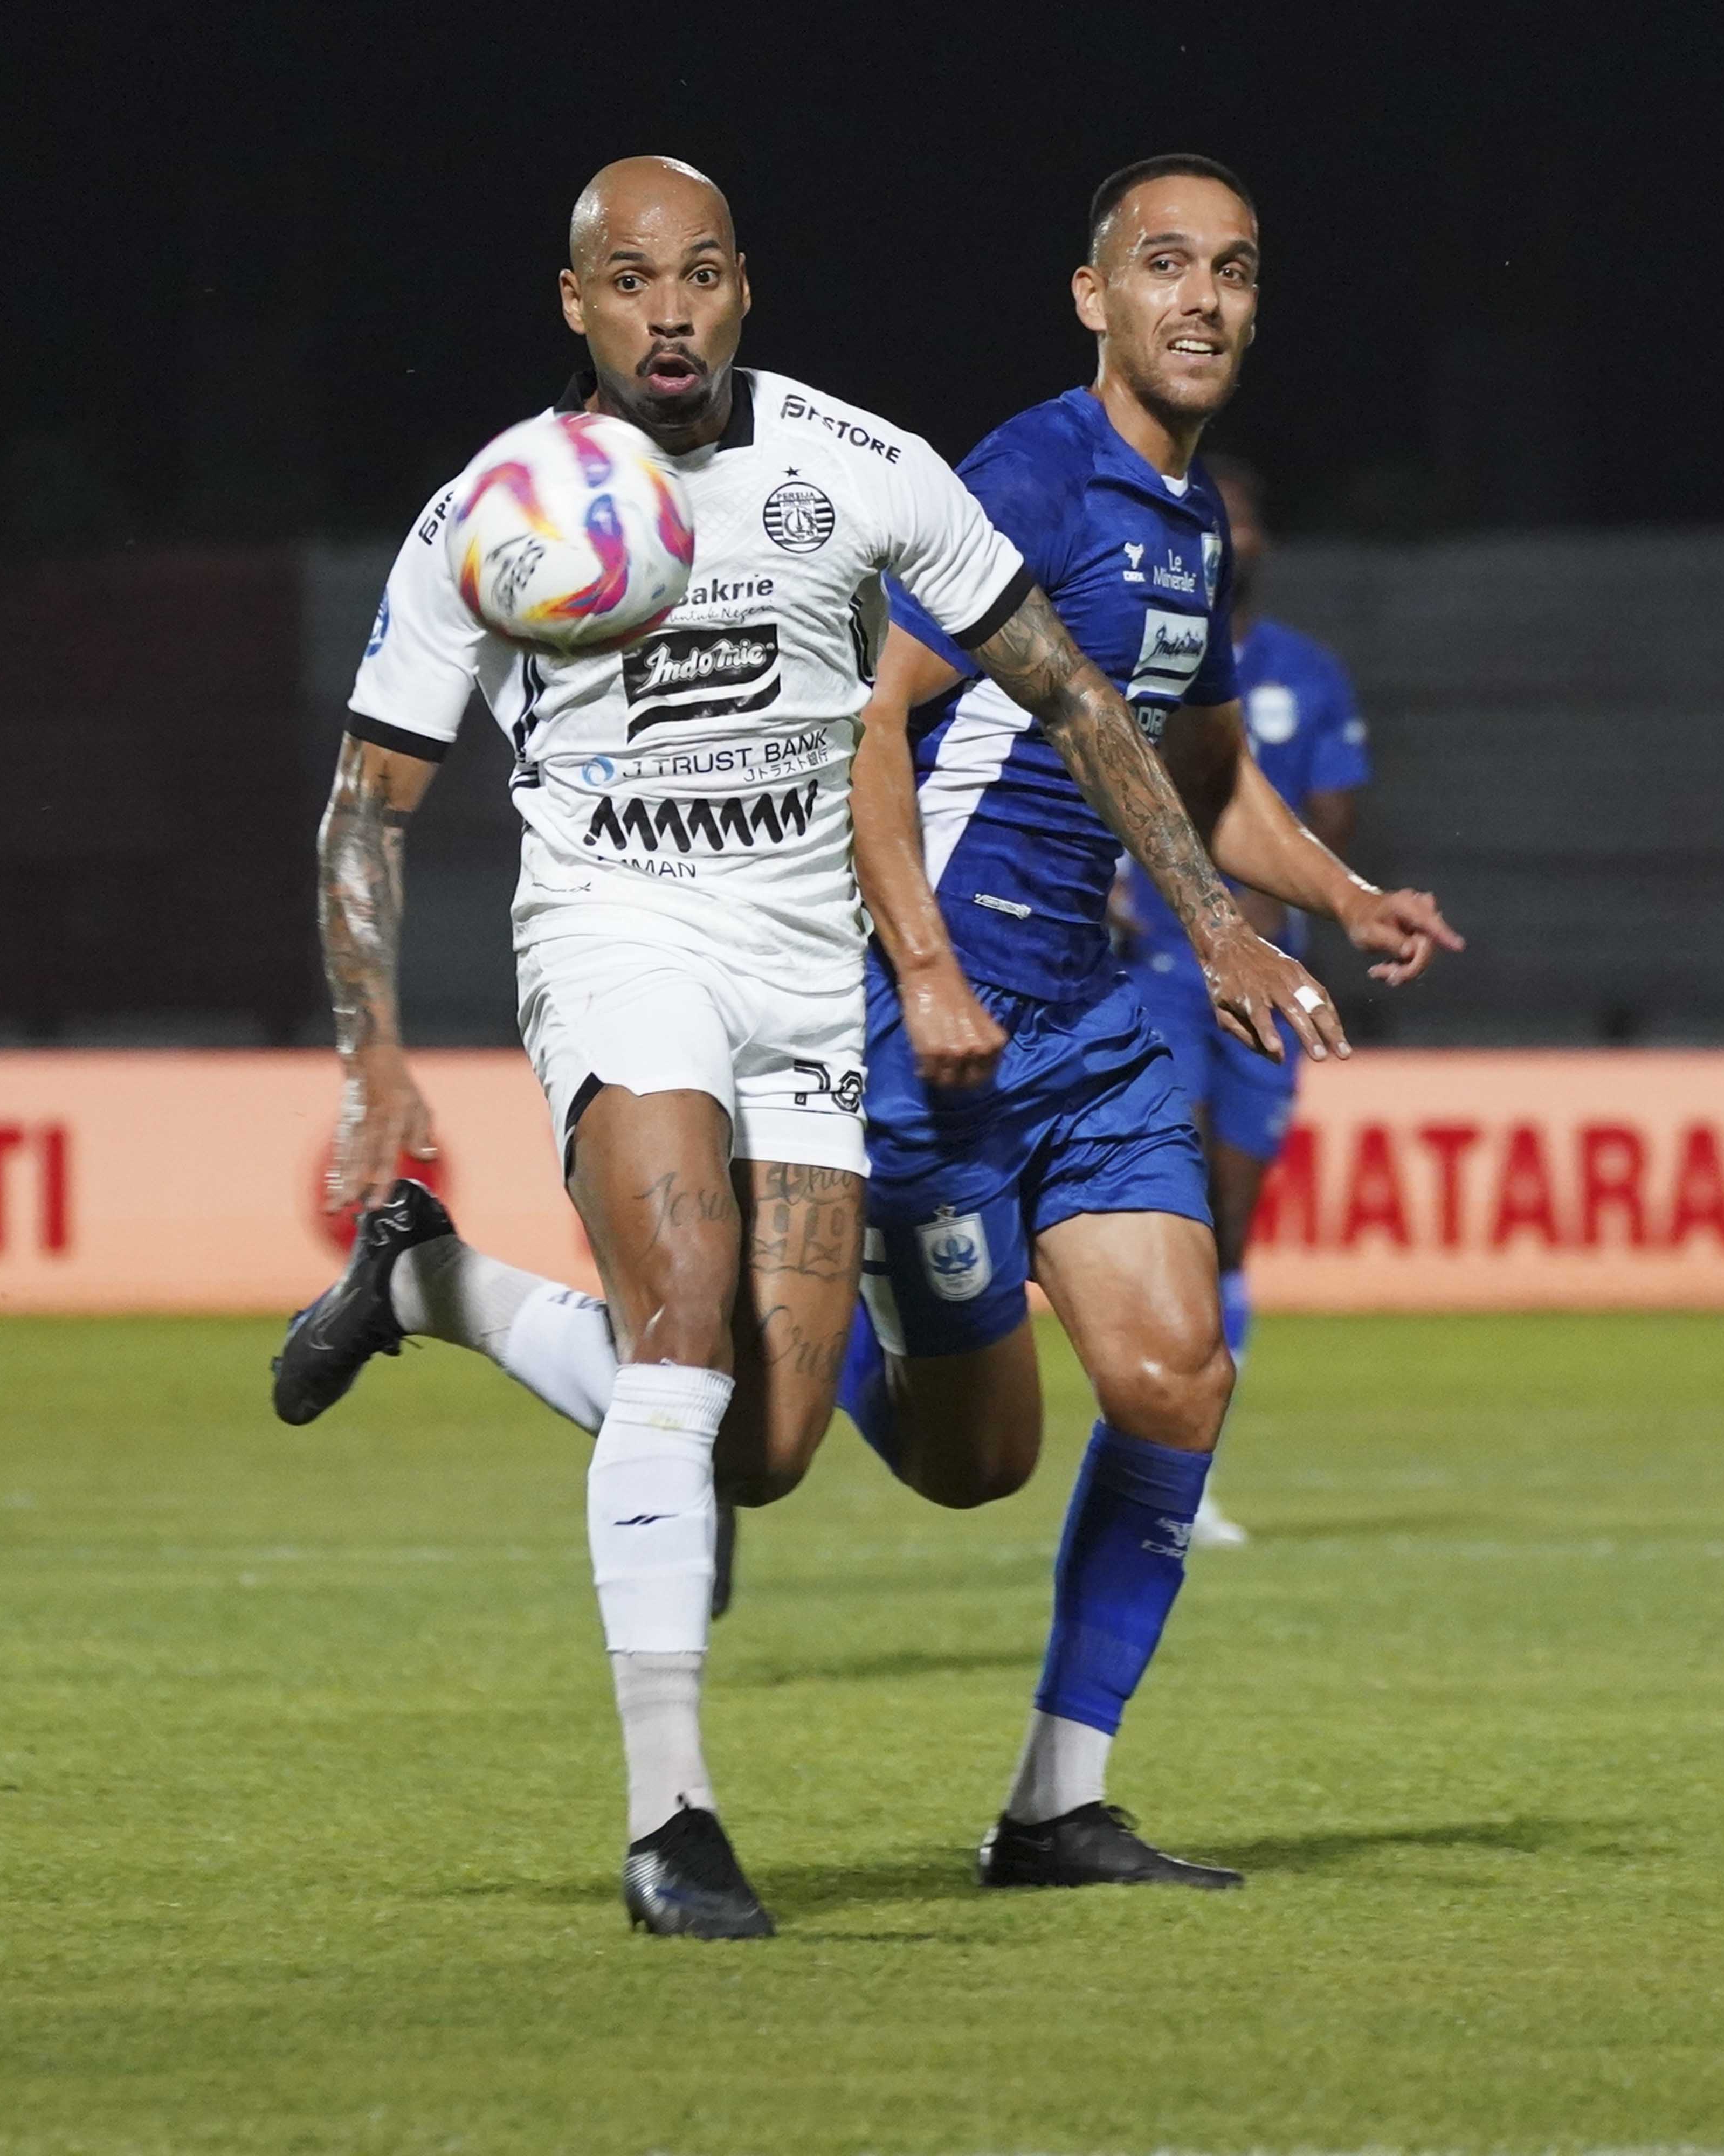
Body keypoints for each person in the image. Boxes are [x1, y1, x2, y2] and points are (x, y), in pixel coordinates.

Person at [270, 155, 1335, 1939]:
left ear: (743, 289)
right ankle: (671, 1821)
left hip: (800, 978)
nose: (666, 309)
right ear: (577, 303)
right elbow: (365, 806)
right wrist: (369, 1048)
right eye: (629, 282)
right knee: (685, 1329)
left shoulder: (859, 469)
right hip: (616, 947)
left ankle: (439, 1293)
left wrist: (1214, 910)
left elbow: (1070, 687)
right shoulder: (499, 511)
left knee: (761, 1442)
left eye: (697, 277)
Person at [841, 155, 1459, 1890]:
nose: (1203, 298)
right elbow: (867, 721)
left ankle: (1054, 1803)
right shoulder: (1025, 477)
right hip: (945, 1024)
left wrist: (1339, 899)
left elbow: (1200, 779)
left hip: (1098, 1018)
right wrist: (925, 973)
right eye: (1166, 264)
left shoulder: (1190, 525)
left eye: (1236, 272)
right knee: (976, 1465)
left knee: (1178, 1377)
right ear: (1093, 294)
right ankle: (808, 1332)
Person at [1106, 455, 1373, 1546]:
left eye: (1251, 519)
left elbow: (1335, 811)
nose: (1237, 537)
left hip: (1274, 970)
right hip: (1156, 969)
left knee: (1229, 1221)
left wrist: (1298, 896)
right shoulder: (1136, 655)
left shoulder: (1306, 672)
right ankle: (1165, 1464)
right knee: (1178, 1197)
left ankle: (1188, 1456)